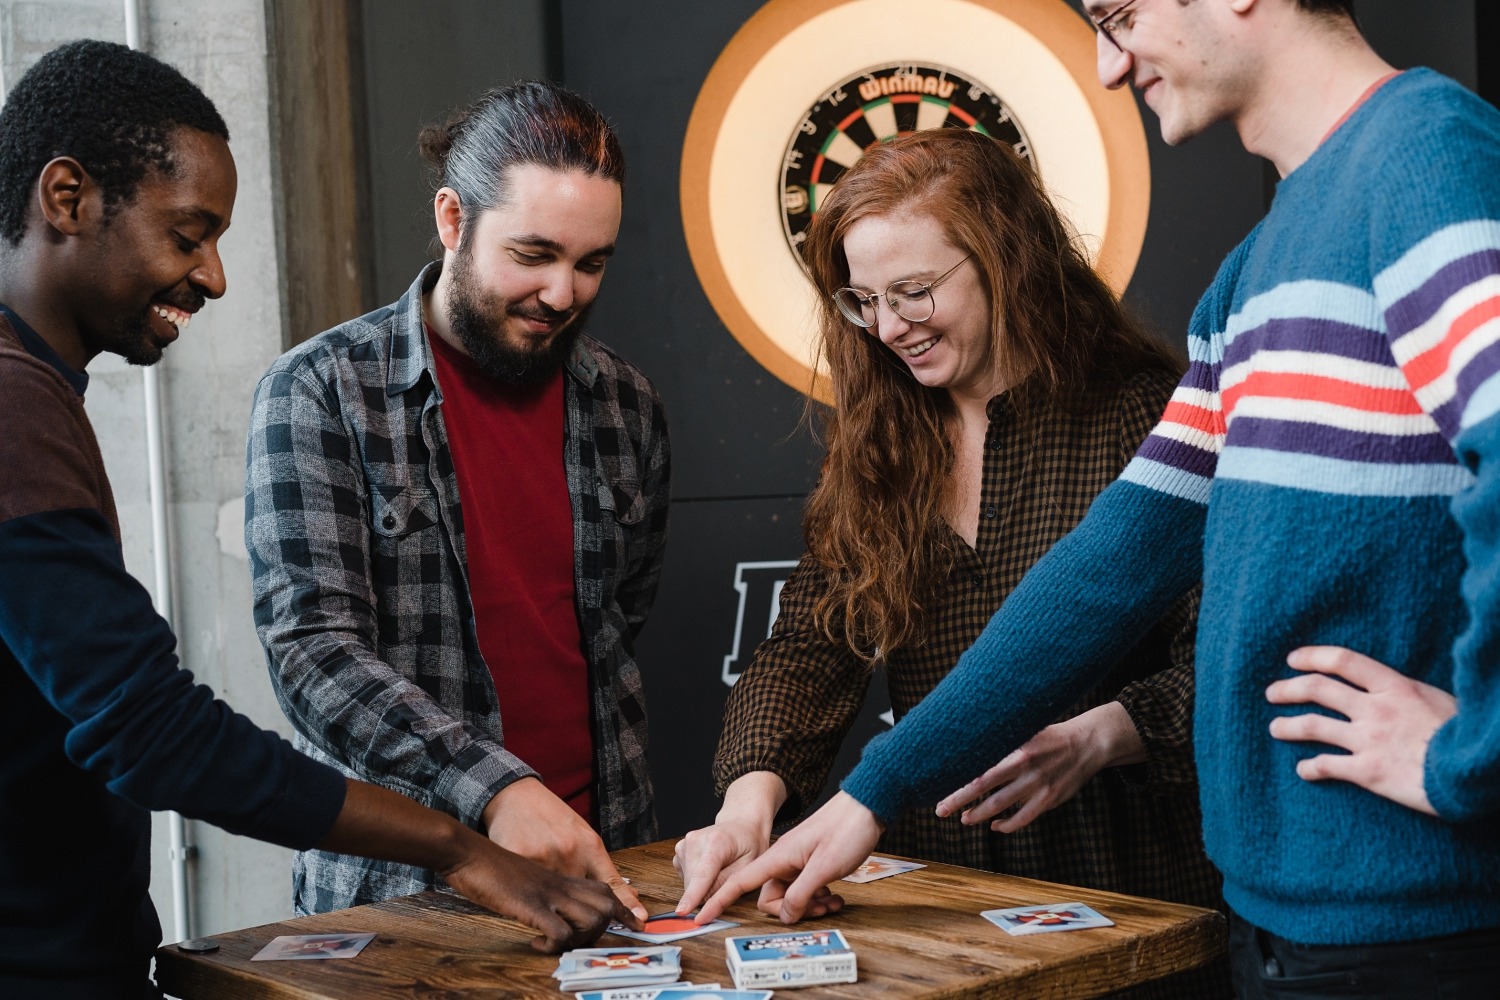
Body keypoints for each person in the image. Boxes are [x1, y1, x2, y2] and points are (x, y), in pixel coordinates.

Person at [700, 1, 1500, 996]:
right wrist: (872, 792)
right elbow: (1111, 566)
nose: (1108, 65)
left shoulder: (1429, 158)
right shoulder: (1256, 266)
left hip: (1415, 926)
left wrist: (1472, 751)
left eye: (1120, 13)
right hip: (1281, 923)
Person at [0, 40, 636, 1000]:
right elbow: (151, 724)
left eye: (591, 262)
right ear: (65, 197)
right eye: (186, 235)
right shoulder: (17, 406)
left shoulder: (39, 395)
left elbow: (623, 619)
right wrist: (465, 839)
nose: (213, 278)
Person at [674, 127, 1227, 998]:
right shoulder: (877, 446)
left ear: (1007, 259)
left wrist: (1104, 733)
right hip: (945, 919)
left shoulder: (1147, 416)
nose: (890, 327)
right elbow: (809, 649)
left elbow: (1230, 656)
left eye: (915, 292)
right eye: (863, 300)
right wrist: (750, 801)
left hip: (1135, 901)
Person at [245, 80, 669, 918]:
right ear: (453, 220)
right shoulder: (321, 391)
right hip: (403, 892)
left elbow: (622, 617)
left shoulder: (627, 404)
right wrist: (496, 790)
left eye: (590, 265)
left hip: (609, 866)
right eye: (533, 254)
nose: (562, 294)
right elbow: (312, 651)